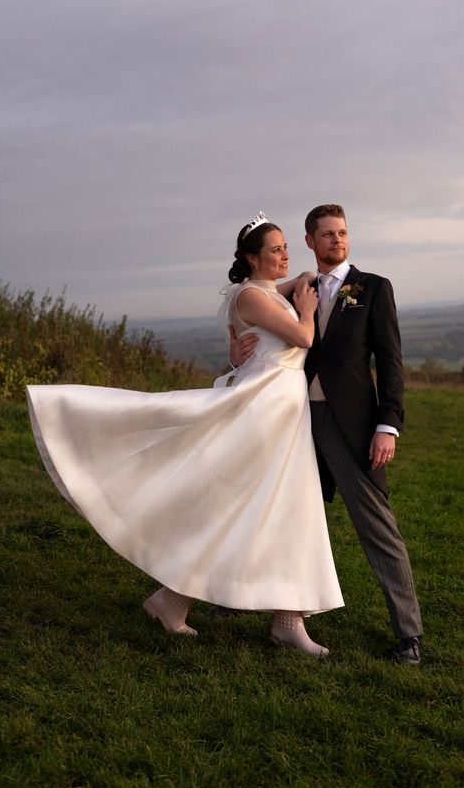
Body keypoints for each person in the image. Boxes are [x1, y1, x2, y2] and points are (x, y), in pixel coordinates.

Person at [26, 213, 343, 658]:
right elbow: (303, 337)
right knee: (239, 509)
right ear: (252, 258)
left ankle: (275, 618)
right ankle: (180, 602)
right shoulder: (252, 297)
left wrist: (305, 277)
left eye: (286, 246)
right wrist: (307, 310)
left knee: (287, 508)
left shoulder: (267, 290)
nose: (285, 255)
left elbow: (301, 279)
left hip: (283, 415)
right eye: (275, 249)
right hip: (262, 415)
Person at [230, 204, 422, 664]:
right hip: (289, 421)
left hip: (348, 426)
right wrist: (237, 350)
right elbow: (253, 316)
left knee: (376, 527)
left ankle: (408, 635)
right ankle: (253, 604)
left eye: (343, 233)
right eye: (327, 235)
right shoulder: (298, 288)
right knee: (270, 511)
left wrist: (387, 425)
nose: (337, 240)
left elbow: (390, 363)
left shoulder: (374, 288)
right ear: (310, 241)